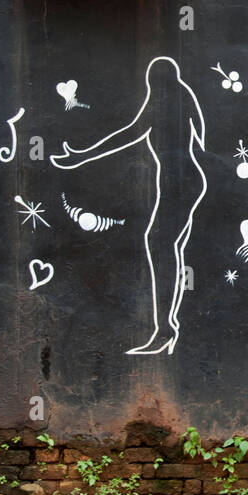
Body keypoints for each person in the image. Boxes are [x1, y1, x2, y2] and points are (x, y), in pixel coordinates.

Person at [51, 56, 207, 355]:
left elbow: (127, 135)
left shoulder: (161, 105)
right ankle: (167, 326)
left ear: (156, 81)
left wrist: (81, 156)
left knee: (161, 246)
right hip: (188, 181)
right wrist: (81, 155)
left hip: (179, 184)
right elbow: (199, 141)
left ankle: (164, 330)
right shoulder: (182, 98)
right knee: (168, 248)